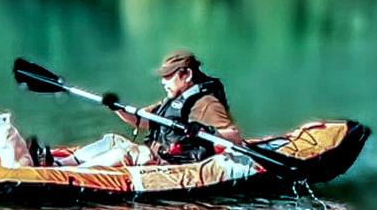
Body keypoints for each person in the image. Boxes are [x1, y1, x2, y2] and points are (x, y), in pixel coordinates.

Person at [45, 50, 242, 167]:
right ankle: (60, 164)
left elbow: (234, 136)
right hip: (155, 155)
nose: (163, 82)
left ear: (187, 75)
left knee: (128, 152)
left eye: (168, 76)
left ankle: (76, 174)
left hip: (173, 163)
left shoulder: (206, 103)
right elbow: (141, 121)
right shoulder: (172, 100)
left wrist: (204, 130)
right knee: (113, 139)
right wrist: (117, 108)